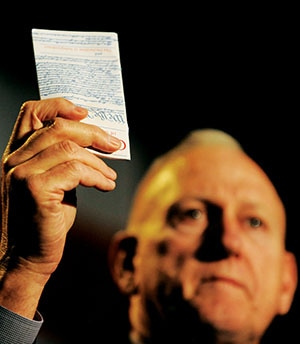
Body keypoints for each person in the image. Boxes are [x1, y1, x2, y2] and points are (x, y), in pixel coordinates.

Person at [0, 97, 298, 344]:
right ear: (128, 263)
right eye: (193, 214)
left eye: (255, 222)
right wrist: (24, 270)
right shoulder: (23, 274)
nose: (228, 241)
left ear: (287, 282)